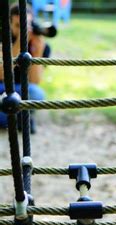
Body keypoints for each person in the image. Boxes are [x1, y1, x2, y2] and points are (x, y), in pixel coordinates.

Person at [0, 3, 48, 133]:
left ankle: (17, 119)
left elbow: (35, 82)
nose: (23, 29)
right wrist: (20, 43)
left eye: (26, 25)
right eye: (18, 25)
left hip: (23, 90)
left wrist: (37, 52)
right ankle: (21, 119)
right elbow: (2, 74)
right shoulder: (2, 38)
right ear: (9, 23)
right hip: (2, 87)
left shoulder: (40, 43)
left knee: (37, 93)